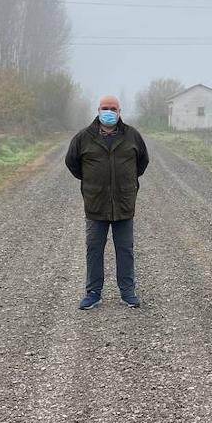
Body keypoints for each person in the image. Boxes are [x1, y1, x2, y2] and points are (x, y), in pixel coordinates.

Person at [65, 95, 150, 310]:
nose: (109, 112)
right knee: (94, 248)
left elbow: (142, 163)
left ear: (120, 111)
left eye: (113, 108)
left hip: (124, 204)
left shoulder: (132, 136)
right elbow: (72, 163)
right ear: (98, 110)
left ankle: (127, 291)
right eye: (105, 108)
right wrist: (92, 182)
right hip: (96, 205)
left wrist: (127, 183)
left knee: (125, 249)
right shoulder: (83, 137)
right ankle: (93, 292)